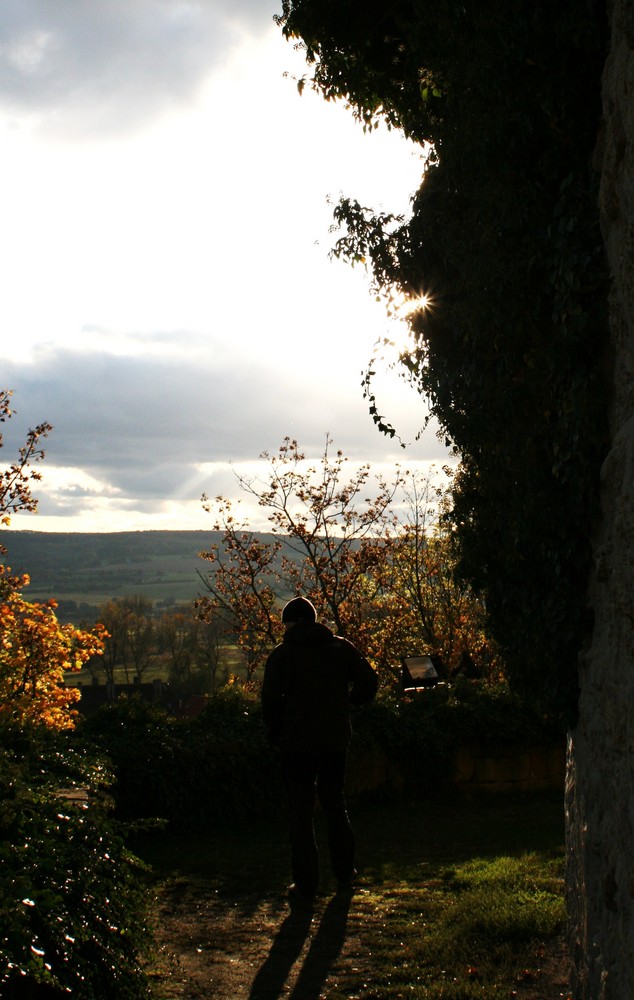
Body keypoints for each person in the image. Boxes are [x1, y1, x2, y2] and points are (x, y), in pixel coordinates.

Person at [261, 596, 378, 900]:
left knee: (301, 812)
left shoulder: (283, 655)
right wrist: (350, 704)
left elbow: (270, 703)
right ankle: (344, 873)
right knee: (335, 804)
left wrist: (276, 733)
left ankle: (305, 883)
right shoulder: (340, 648)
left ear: (294, 622)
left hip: (296, 745)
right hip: (335, 741)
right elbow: (369, 680)